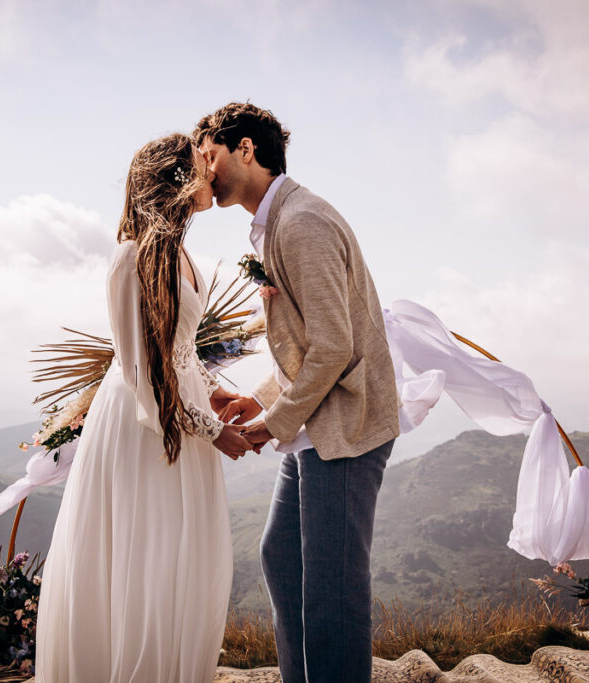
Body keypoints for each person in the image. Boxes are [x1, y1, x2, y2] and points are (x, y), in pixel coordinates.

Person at [34, 132, 254, 682]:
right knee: (148, 562)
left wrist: (213, 388)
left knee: (180, 564)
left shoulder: (180, 253)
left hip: (180, 417)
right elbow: (142, 372)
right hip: (143, 427)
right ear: (176, 179)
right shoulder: (132, 258)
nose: (211, 170)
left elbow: (175, 349)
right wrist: (210, 429)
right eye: (201, 163)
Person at [196, 103, 400, 683]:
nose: (203, 169)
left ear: (246, 150)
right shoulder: (275, 221)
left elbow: (334, 348)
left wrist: (272, 422)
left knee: (331, 591)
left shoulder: (301, 223)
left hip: (344, 428)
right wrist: (258, 399)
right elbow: (310, 341)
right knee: (282, 559)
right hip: (313, 421)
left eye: (209, 154)